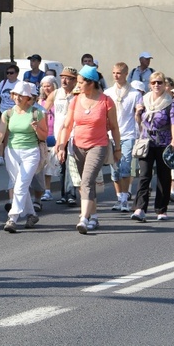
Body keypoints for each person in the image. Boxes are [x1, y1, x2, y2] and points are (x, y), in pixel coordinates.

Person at [57, 65, 121, 234]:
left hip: (98, 145)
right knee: (85, 184)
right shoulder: (76, 100)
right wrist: (62, 145)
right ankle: (93, 217)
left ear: (91, 83)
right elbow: (67, 125)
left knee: (86, 180)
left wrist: (118, 149)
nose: (77, 86)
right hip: (78, 146)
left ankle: (83, 218)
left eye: (80, 82)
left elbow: (114, 127)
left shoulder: (106, 101)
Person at [0, 82, 47, 233]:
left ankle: (12, 218)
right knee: (18, 185)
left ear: (28, 97)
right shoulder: (8, 113)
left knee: (21, 185)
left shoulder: (36, 113)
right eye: (15, 94)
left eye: (20, 95)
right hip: (12, 152)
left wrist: (36, 128)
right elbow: (0, 133)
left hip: (31, 152)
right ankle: (31, 214)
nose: (16, 97)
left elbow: (44, 135)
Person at [130, 71, 174, 222]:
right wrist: (138, 113)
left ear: (164, 84)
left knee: (163, 176)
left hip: (164, 142)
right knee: (144, 175)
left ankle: (161, 209)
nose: (156, 85)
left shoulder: (170, 102)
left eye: (159, 82)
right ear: (150, 85)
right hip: (146, 141)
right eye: (153, 83)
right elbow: (139, 121)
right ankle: (140, 208)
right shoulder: (144, 100)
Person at [104, 62, 142, 212]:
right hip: (111, 136)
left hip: (127, 134)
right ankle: (119, 197)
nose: (116, 76)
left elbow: (138, 114)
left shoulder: (134, 93)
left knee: (125, 167)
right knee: (115, 170)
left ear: (126, 74)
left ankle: (125, 198)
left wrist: (139, 114)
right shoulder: (108, 93)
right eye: (114, 73)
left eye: (119, 73)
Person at [44, 66, 79, 206]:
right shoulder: (56, 93)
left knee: (72, 163)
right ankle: (64, 194)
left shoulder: (78, 94)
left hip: (75, 133)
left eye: (68, 78)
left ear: (75, 80)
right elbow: (43, 111)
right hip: (60, 134)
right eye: (62, 77)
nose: (64, 80)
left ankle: (72, 194)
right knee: (62, 164)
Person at [0, 64, 21, 166]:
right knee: (0, 133)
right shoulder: (3, 83)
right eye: (7, 73)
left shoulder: (19, 84)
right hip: (2, 112)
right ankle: (0, 156)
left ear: (17, 74)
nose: (9, 75)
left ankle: (7, 155)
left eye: (11, 73)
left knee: (8, 134)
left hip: (14, 113)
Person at [38, 75, 60, 201]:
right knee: (45, 165)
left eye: (49, 85)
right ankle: (46, 190)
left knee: (55, 165)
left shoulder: (59, 100)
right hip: (44, 136)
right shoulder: (40, 102)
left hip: (56, 135)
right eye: (44, 86)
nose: (46, 88)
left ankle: (66, 191)